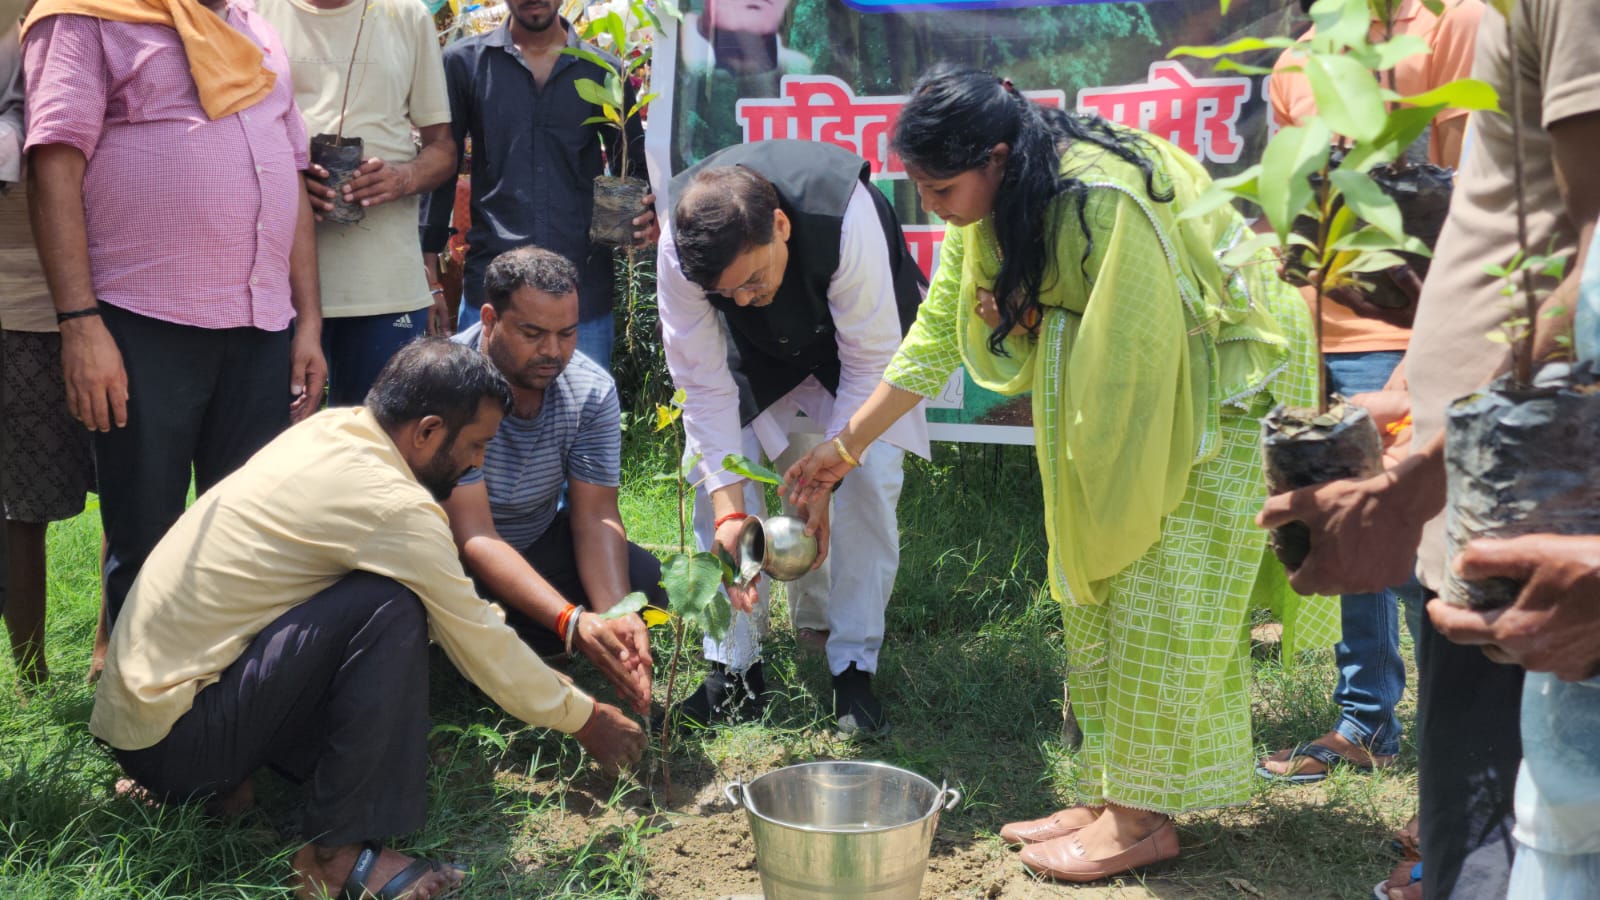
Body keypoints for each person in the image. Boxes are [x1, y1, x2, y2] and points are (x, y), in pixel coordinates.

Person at [786, 67, 1332, 882]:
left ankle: (1142, 819)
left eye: (941, 189)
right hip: (1134, 395)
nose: (931, 207)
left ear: (997, 158)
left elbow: (1144, 351)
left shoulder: (1099, 198)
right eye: (921, 189)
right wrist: (846, 448)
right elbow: (936, 334)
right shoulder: (998, 205)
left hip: (1212, 398)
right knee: (1097, 590)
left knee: (1154, 592)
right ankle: (1114, 795)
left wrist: (1033, 316)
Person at [91, 338, 646, 899]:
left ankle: (227, 784)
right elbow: (482, 643)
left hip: (151, 721)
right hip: (177, 739)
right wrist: (586, 718)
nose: (478, 462)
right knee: (391, 606)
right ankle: (333, 858)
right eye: (476, 444)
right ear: (427, 431)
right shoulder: (393, 505)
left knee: (367, 598)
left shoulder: (332, 431)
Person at [1259, 2, 1600, 898]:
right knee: (1488, 824)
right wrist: (1424, 435)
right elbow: (1514, 248)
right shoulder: (1310, 55)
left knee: (1515, 832)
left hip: (1541, 506)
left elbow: (1590, 270)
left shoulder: (1474, 21)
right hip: (1492, 470)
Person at [22, 0, 327, 627]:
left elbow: (290, 174)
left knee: (249, 533)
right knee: (146, 541)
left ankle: (230, 685)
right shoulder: (87, 14)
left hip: (261, 324)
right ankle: (141, 689)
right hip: (142, 322)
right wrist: (80, 323)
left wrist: (309, 324)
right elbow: (53, 164)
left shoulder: (254, 28)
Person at [1255, 0, 1482, 789]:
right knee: (1345, 536)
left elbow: (1469, 208)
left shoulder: (1450, 25)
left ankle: (1455, 754)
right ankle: (1366, 720)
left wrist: (1420, 359)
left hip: (1409, 338)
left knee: (1427, 549)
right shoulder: (1299, 59)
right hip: (1315, 338)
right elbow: (1294, 216)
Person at [657, 140, 929, 738]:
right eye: (727, 294)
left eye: (753, 280)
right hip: (752, 356)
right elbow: (702, 386)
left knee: (871, 482)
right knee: (710, 481)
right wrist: (731, 515)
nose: (744, 300)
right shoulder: (680, 248)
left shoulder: (845, 215)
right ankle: (733, 669)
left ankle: (853, 666)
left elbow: (868, 363)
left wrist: (833, 470)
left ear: (780, 225)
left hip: (855, 349)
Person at [443, 246, 659, 716]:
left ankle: (518, 640)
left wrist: (615, 617)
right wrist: (570, 620)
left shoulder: (591, 389)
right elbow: (474, 534)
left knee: (645, 584)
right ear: (489, 319)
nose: (553, 352)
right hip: (450, 559)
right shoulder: (446, 382)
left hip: (535, 541)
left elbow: (595, 515)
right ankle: (491, 646)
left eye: (567, 333)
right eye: (532, 333)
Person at [420, 0, 659, 367]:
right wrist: (430, 277)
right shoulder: (464, 63)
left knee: (585, 403)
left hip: (581, 298)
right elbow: (441, 165)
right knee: (483, 403)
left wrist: (641, 215)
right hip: (494, 294)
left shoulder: (603, 71)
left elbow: (632, 165)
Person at [261, 0, 457, 405]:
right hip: (275, 286)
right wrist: (287, 179)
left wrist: (403, 178)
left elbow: (442, 148)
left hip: (383, 285)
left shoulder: (406, 14)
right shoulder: (253, 12)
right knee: (277, 435)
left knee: (374, 430)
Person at [0, 18, 99, 686]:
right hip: (24, 308)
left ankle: (104, 657)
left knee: (132, 490)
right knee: (21, 509)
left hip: (110, 304)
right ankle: (31, 678)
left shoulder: (107, 23)